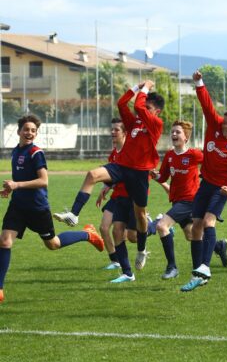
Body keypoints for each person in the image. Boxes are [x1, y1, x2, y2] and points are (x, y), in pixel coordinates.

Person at [53, 81, 165, 283]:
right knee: (92, 175)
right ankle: (74, 214)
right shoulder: (135, 124)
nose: (143, 110)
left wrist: (146, 88)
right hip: (122, 167)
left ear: (156, 111)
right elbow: (123, 104)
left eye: (148, 108)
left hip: (139, 173)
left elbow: (139, 106)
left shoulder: (155, 124)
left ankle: (141, 250)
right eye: (145, 107)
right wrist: (136, 87)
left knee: (140, 217)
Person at [0, 115, 104, 303]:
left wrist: (17, 185)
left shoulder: (35, 152)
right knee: (5, 242)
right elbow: (20, 178)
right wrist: (10, 188)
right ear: (18, 131)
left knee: (53, 244)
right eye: (26, 129)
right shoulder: (16, 151)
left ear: (36, 133)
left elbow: (43, 181)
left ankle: (88, 234)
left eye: (33, 130)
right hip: (17, 207)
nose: (29, 133)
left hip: (37, 208)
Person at [180, 71, 227, 292]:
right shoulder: (214, 125)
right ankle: (197, 273)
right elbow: (206, 104)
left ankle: (206, 267)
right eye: (224, 122)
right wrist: (199, 82)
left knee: (209, 223)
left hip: (221, 190)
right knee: (195, 228)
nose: (224, 126)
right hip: (205, 185)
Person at [150, 120, 227, 280]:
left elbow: (210, 161)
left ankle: (172, 267)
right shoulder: (170, 156)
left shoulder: (194, 154)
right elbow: (164, 176)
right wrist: (155, 175)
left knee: (161, 225)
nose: (173, 134)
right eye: (172, 132)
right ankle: (218, 246)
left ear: (186, 137)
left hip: (191, 200)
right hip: (177, 201)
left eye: (177, 132)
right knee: (192, 235)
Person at [94, 118, 138, 270]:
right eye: (111, 129)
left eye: (116, 130)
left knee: (131, 237)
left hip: (131, 198)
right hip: (116, 197)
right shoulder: (113, 154)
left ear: (125, 133)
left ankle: (150, 224)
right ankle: (115, 261)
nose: (112, 132)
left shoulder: (131, 152)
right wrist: (105, 187)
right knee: (104, 228)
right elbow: (113, 176)